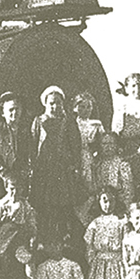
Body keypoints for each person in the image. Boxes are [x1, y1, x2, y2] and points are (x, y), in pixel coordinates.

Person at [30, 85, 84, 246]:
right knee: (45, 204)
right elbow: (33, 145)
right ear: (45, 104)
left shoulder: (68, 122)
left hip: (62, 170)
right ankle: (45, 239)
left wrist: (75, 166)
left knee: (63, 204)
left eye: (58, 103)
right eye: (52, 103)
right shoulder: (38, 121)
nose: (55, 107)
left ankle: (64, 239)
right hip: (44, 169)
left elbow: (76, 146)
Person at [0, 91, 34, 189]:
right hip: (0, 179)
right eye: (11, 110)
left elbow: (30, 153)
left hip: (20, 178)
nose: (14, 113)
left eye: (17, 109)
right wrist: (6, 175)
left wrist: (23, 173)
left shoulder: (25, 131)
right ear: (3, 113)